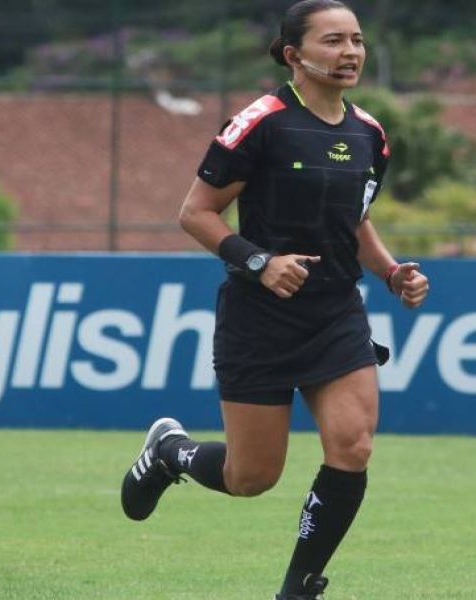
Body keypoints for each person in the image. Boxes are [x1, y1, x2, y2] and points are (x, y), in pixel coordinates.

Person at [119, 2, 429, 598]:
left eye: (357, 41)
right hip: (259, 319)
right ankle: (171, 453)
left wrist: (392, 274)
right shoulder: (260, 123)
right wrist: (259, 262)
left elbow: (355, 222)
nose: (350, 53)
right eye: (333, 40)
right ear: (294, 54)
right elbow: (195, 213)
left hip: (336, 313)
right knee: (250, 477)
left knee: (354, 445)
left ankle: (301, 586)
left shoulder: (370, 134)